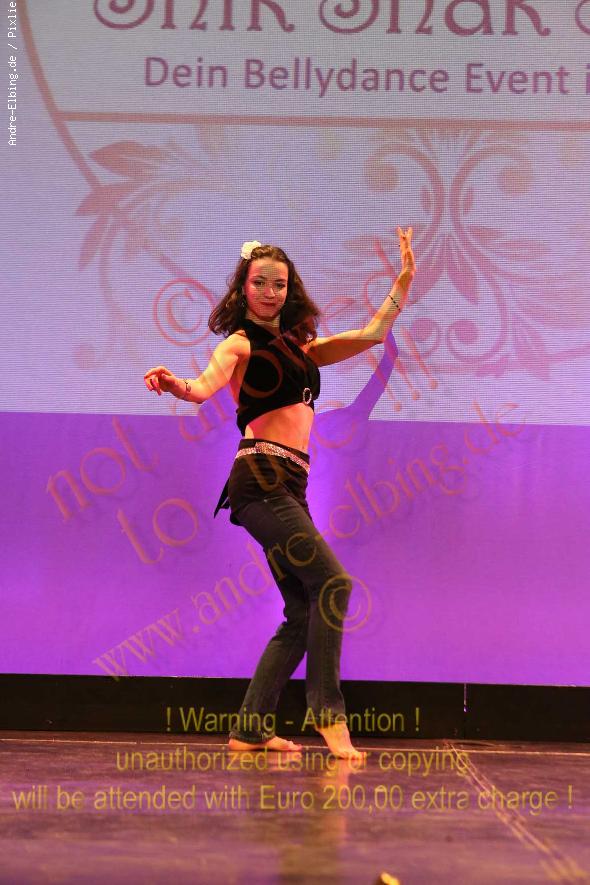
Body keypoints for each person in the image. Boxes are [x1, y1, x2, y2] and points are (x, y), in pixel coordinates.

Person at [144, 228, 415, 759]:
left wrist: (403, 279)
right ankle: (329, 715)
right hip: (260, 479)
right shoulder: (240, 343)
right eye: (260, 283)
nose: (270, 292)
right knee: (332, 584)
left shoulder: (302, 349)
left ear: (290, 291)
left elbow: (372, 333)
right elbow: (201, 388)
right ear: (243, 288)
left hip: (291, 483)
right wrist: (174, 384)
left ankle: (250, 729)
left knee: (301, 611)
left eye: (279, 284)